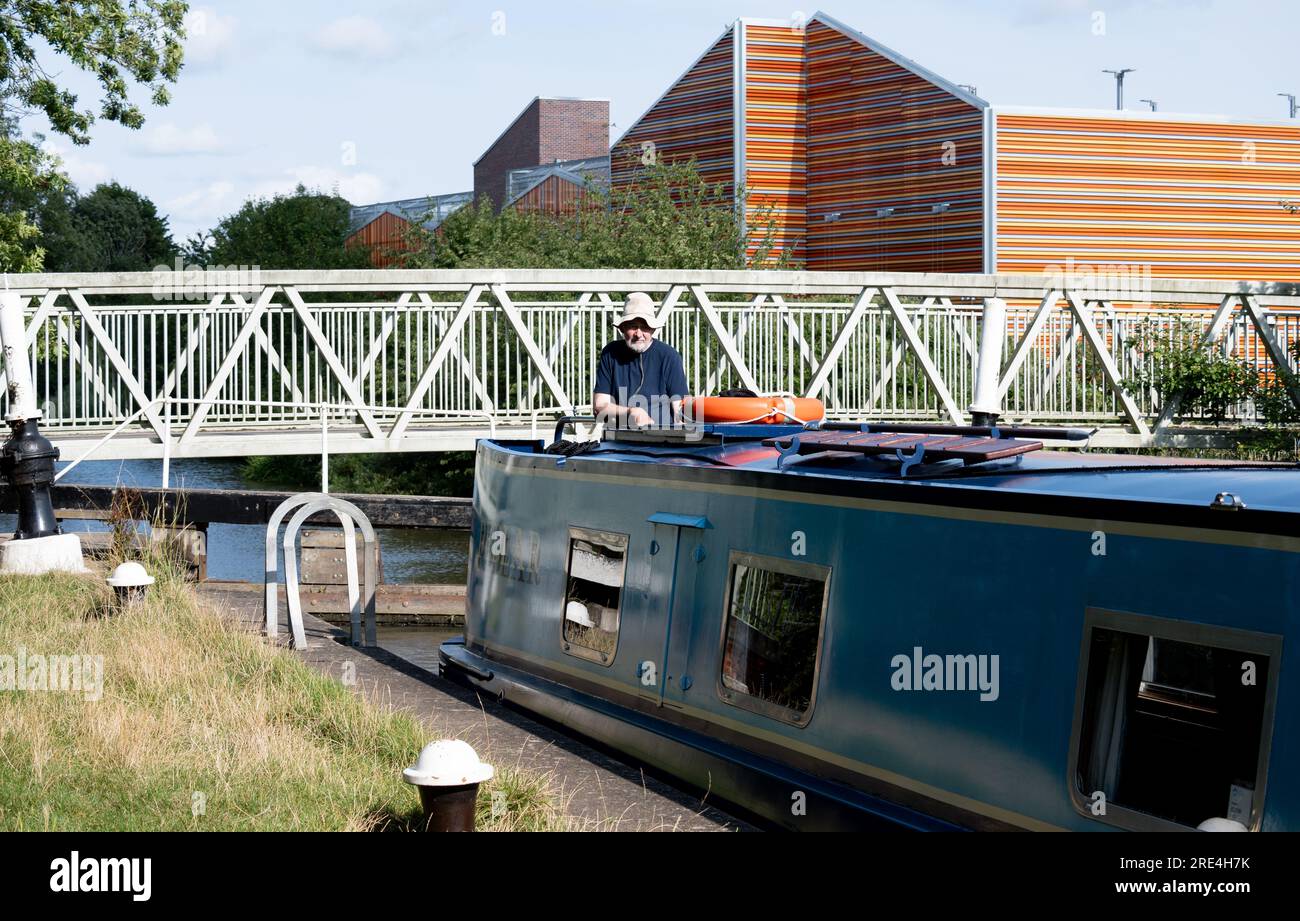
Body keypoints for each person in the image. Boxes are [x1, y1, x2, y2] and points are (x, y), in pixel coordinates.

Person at [593, 292, 689, 428]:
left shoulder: (669, 355)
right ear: (622, 328)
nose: (639, 334)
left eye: (645, 327)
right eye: (633, 326)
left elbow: (680, 408)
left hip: (661, 438)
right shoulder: (610, 353)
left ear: (653, 329)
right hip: (618, 436)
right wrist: (631, 412)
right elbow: (599, 405)